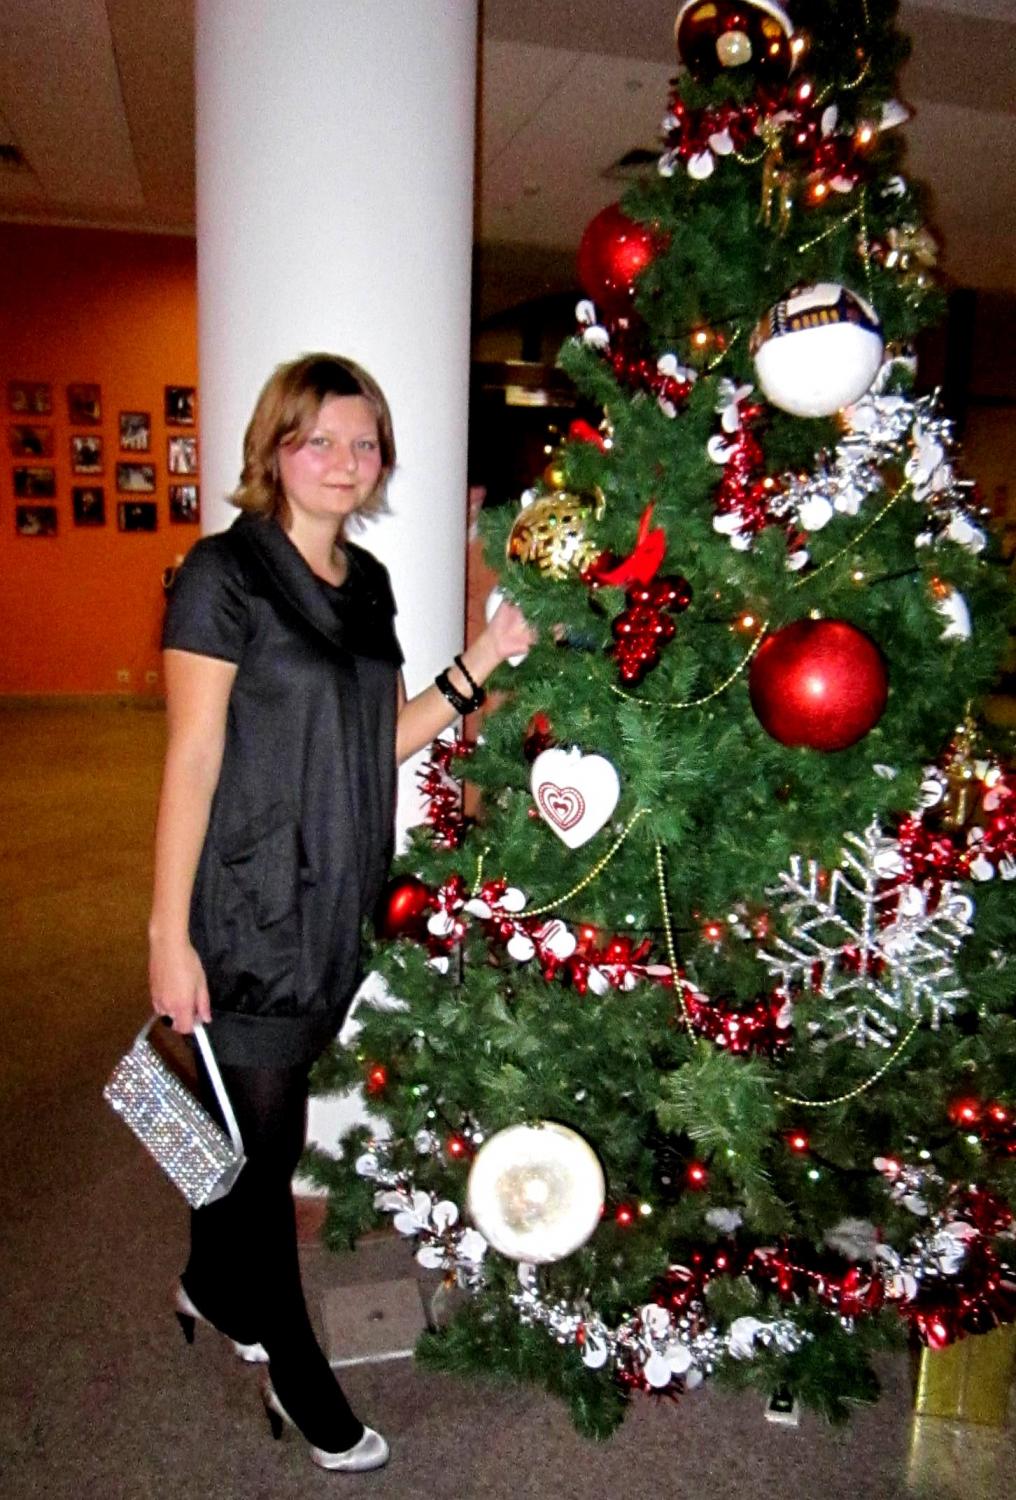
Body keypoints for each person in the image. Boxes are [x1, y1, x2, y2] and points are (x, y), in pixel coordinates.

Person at [148, 353, 534, 1474]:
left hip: (337, 901)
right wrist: (167, 932)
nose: (343, 461)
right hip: (247, 907)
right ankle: (297, 1372)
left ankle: (208, 1280)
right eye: (317, 438)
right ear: (274, 450)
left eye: (363, 443)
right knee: (264, 1160)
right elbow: (192, 756)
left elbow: (379, 739)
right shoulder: (222, 575)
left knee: (242, 1135)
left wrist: (484, 658)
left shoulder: (366, 582)